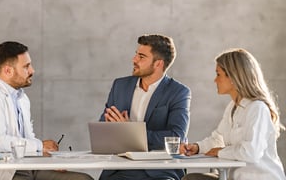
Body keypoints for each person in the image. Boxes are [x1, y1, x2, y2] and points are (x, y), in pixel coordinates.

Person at [0, 41, 93, 180]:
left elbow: (28, 141)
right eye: (26, 66)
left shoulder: (22, 98)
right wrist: (40, 146)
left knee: (82, 179)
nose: (32, 71)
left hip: (27, 167)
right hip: (2, 173)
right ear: (8, 70)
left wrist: (49, 160)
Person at [181, 48, 286, 180]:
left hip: (259, 177)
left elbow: (251, 152)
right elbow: (218, 139)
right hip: (234, 177)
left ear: (233, 77)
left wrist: (220, 152)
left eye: (218, 74)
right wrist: (197, 147)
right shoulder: (232, 107)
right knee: (191, 178)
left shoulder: (257, 108)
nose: (215, 80)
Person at [99, 34, 191, 180]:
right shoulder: (120, 86)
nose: (134, 59)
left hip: (159, 171)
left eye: (141, 57)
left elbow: (176, 137)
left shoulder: (178, 92)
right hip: (120, 169)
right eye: (136, 54)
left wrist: (131, 131)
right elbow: (103, 129)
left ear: (158, 64)